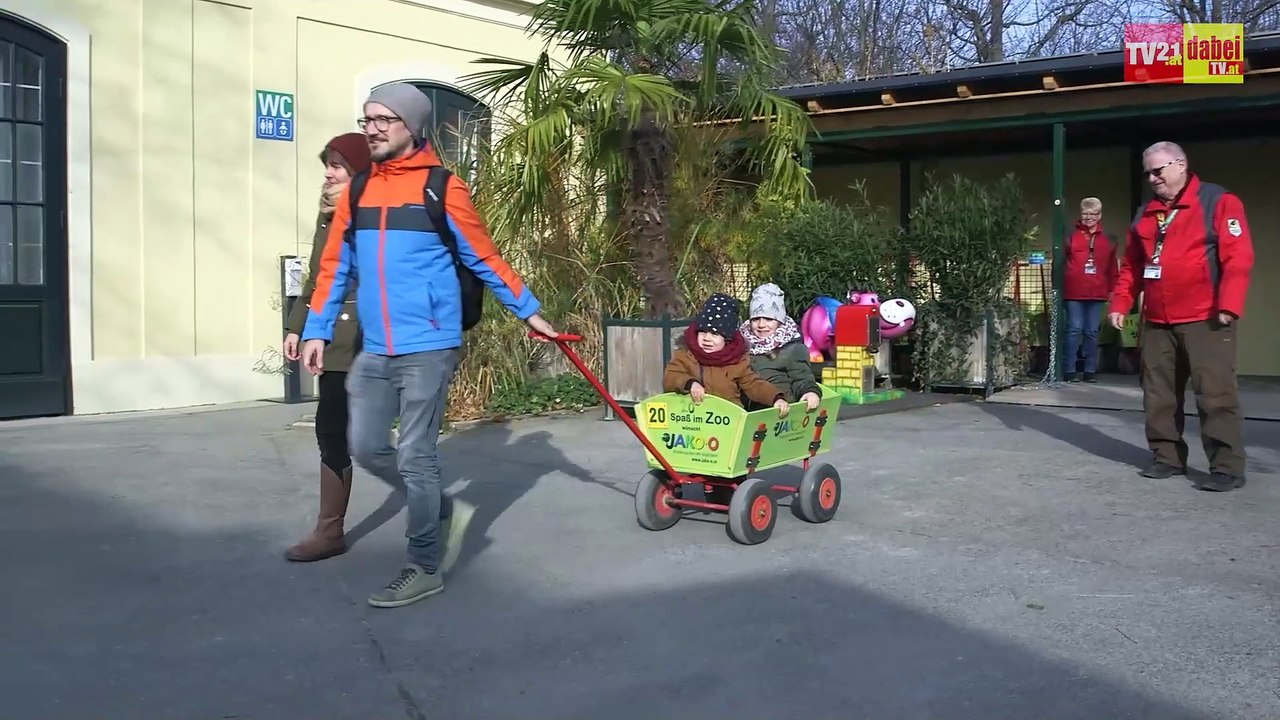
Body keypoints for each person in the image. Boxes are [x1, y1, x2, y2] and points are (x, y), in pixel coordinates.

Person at [300, 83, 560, 607]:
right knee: (366, 445)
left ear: (412, 126)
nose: (372, 128)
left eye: (385, 119)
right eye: (368, 118)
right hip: (375, 347)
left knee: (417, 455)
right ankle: (438, 507)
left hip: (430, 344)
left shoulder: (442, 188)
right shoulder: (357, 192)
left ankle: (423, 564)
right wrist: (316, 328)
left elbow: (485, 257)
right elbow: (335, 267)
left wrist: (530, 312)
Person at [1108, 141, 1254, 492]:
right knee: (1158, 394)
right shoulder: (1146, 212)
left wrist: (1228, 305)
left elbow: (1238, 257)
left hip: (1206, 317)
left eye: (1157, 171)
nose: (1152, 179)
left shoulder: (1219, 201)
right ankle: (1166, 458)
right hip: (1158, 320)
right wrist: (1119, 303)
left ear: (1180, 165)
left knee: (1215, 394)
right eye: (1147, 174)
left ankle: (1226, 466)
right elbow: (1132, 266)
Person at [282, 132, 372, 562]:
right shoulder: (327, 217)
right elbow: (317, 278)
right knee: (332, 431)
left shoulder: (369, 213)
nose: (328, 174)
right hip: (333, 339)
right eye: (327, 165)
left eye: (337, 165)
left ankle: (435, 515)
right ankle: (329, 531)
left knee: (379, 440)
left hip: (366, 338)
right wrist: (297, 326)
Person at [663, 293, 791, 415]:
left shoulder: (736, 361)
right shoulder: (686, 354)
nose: (707, 338)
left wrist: (775, 398)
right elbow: (671, 376)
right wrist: (689, 383)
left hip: (728, 418)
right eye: (702, 332)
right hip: (692, 418)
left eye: (715, 334)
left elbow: (753, 384)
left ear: (727, 339)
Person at [738, 283, 822, 410]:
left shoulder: (792, 348)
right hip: (748, 411)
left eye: (768, 319)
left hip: (780, 410)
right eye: (756, 319)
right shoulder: (741, 343)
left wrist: (809, 391)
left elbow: (801, 376)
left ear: (779, 320)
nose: (761, 324)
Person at [1062, 197, 1117, 383]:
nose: (1089, 218)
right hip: (1073, 292)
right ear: (1080, 214)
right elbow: (1060, 263)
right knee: (1073, 329)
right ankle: (1069, 369)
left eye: (1093, 214)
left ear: (1099, 215)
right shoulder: (1070, 236)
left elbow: (1112, 269)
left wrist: (1112, 291)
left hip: (1097, 292)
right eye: (1085, 214)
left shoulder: (1108, 240)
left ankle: (1090, 370)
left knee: (1092, 331)